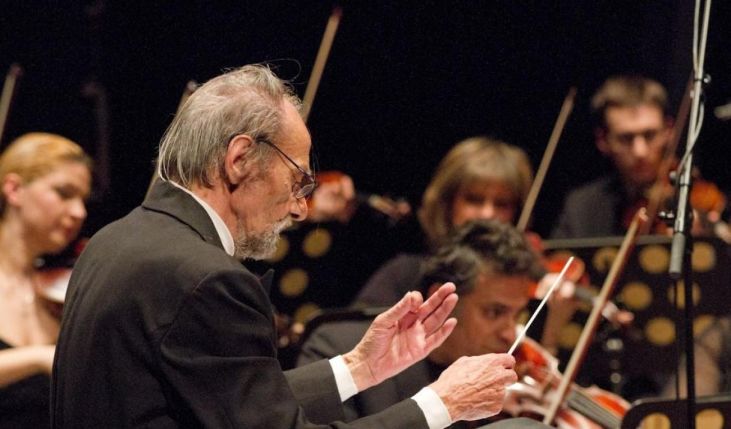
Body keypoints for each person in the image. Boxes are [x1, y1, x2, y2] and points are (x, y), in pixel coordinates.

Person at [51, 64, 529, 428]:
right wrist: (441, 404)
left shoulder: (116, 238)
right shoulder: (208, 279)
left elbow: (236, 402)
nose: (301, 208)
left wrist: (360, 366)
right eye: (298, 179)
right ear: (240, 159)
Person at [298, 219, 544, 428]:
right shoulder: (335, 348)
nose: (511, 334)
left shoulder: (501, 394)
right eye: (494, 312)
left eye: (518, 315)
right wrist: (446, 404)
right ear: (443, 299)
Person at [0, 132, 92, 428]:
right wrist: (39, 357)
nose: (79, 212)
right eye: (64, 193)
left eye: (83, 199)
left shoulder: (59, 289)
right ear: (14, 189)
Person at [552, 75, 674, 238]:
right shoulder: (581, 208)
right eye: (625, 138)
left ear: (668, 131)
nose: (640, 151)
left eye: (650, 135)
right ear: (603, 140)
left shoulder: (692, 199)